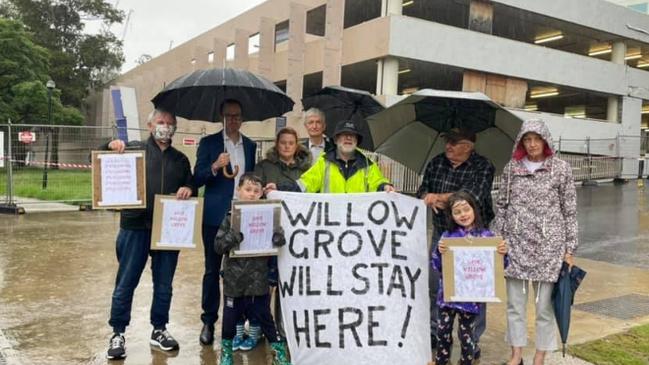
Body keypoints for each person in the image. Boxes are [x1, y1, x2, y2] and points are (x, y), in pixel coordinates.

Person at [104, 109, 194, 360]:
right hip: (135, 227)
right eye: (161, 122)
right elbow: (99, 159)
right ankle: (118, 333)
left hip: (168, 230)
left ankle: (159, 329)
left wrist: (188, 187)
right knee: (126, 283)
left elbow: (192, 184)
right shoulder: (132, 150)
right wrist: (110, 145)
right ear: (150, 124)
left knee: (164, 284)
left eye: (170, 123)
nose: (165, 126)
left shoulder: (181, 159)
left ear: (175, 128)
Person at [492, 119, 578, 365]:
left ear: (545, 140)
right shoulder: (512, 168)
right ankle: (516, 354)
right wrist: (501, 238)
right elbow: (502, 206)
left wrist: (569, 249)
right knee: (515, 306)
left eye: (536, 139)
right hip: (516, 245)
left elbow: (569, 210)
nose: (532, 145)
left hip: (549, 247)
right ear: (521, 142)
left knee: (544, 309)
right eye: (527, 140)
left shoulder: (561, 169)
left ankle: (539, 356)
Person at [417, 128, 495, 358]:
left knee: (476, 287)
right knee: (436, 285)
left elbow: (473, 196)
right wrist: (426, 197)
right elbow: (422, 190)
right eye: (447, 142)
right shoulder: (436, 163)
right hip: (443, 234)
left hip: (474, 238)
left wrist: (438, 197)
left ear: (468, 146)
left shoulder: (483, 165)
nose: (448, 146)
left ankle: (473, 338)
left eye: (454, 142)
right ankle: (436, 332)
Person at [193, 99, 257, 345]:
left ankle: (239, 323)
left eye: (237, 115)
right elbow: (197, 177)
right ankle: (209, 321)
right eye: (229, 115)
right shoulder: (209, 143)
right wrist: (214, 166)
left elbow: (252, 178)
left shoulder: (250, 146)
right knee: (211, 270)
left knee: (243, 272)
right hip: (214, 217)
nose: (233, 119)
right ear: (222, 117)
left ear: (242, 118)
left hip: (243, 216)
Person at [214, 173, 292, 365]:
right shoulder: (230, 218)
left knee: (265, 318)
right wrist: (233, 237)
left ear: (261, 194)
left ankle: (278, 351)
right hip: (234, 280)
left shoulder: (268, 217)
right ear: (239, 190)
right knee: (230, 319)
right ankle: (226, 352)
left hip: (258, 280)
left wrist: (277, 239)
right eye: (247, 190)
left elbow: (279, 241)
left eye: (256, 191)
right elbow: (218, 246)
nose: (251, 194)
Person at [431, 192, 507, 365]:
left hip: (471, 299)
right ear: (451, 215)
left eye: (466, 209)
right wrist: (439, 252)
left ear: (474, 210)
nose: (463, 214)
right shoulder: (447, 238)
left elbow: (499, 266)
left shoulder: (487, 237)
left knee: (467, 336)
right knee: (442, 332)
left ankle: (467, 361)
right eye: (457, 212)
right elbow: (436, 265)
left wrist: (502, 253)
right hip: (447, 296)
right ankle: (442, 361)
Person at [254, 126, 312, 341]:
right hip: (270, 229)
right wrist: (263, 190)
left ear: (297, 146)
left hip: (297, 232)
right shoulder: (264, 166)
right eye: (283, 142)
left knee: (291, 281)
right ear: (277, 145)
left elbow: (313, 193)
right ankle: (260, 325)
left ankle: (287, 326)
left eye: (291, 142)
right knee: (266, 281)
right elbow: (252, 189)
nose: (287, 146)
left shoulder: (307, 169)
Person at [267, 120, 394, 193]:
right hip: (331, 226)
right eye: (344, 135)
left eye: (352, 135)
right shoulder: (324, 162)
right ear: (336, 139)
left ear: (357, 140)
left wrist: (385, 187)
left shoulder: (368, 165)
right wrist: (279, 188)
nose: (348, 138)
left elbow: (378, 183)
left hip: (358, 226)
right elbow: (304, 185)